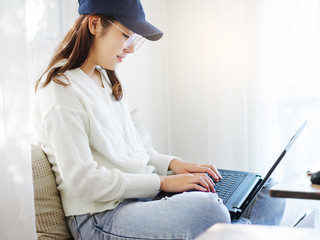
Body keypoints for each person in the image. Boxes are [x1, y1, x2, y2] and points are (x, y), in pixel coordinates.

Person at [33, 0, 285, 239]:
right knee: (210, 210)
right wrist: (163, 182)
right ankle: (239, 230)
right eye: (125, 35)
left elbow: (137, 153)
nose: (131, 47)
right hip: (99, 216)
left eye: (134, 38)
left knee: (268, 189)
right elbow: (83, 180)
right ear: (94, 24)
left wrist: (174, 164)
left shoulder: (106, 78)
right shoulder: (60, 89)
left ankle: (236, 231)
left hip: (139, 200)